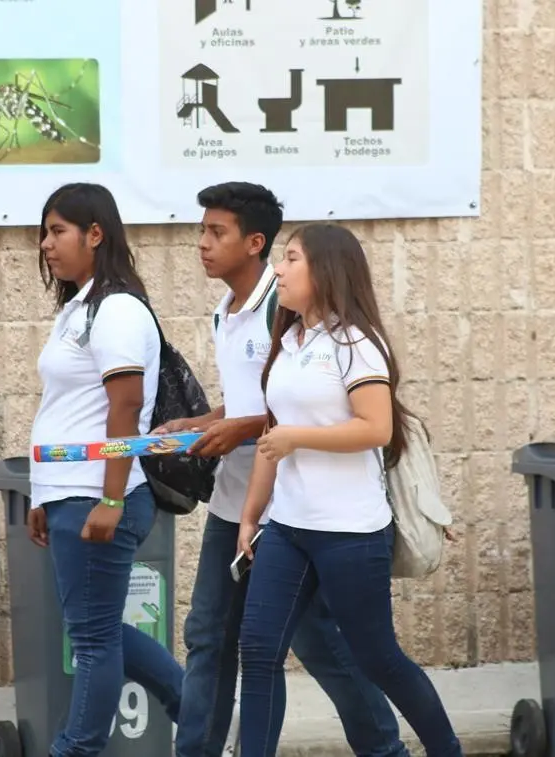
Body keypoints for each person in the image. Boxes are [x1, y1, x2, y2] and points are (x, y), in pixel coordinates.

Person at [155, 182, 409, 757]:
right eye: (202, 230)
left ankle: (384, 748)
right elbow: (255, 399)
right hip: (235, 502)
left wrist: (235, 430)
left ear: (255, 243)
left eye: (216, 232)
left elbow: (291, 410)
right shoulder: (226, 312)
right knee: (209, 637)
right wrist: (201, 421)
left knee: (320, 644)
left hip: (291, 511)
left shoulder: (286, 304)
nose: (202, 243)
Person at [234, 223, 463, 757]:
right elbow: (274, 433)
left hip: (350, 532)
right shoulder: (288, 340)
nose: (278, 269)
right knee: (259, 647)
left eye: (290, 259)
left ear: (326, 271)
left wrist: (297, 438)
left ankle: (445, 750)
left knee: (378, 656)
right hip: (288, 527)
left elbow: (375, 428)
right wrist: (251, 515)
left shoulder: (356, 343)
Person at [27, 182, 184, 756]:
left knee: (92, 640)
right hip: (72, 493)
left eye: (58, 230)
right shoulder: (81, 306)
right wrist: (44, 497)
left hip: (101, 493)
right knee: (97, 632)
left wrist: (111, 500)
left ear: (96, 234)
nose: (46, 244)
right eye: (44, 232)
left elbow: (123, 407)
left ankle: (76, 749)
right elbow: (68, 410)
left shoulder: (116, 308)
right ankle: (200, 712)